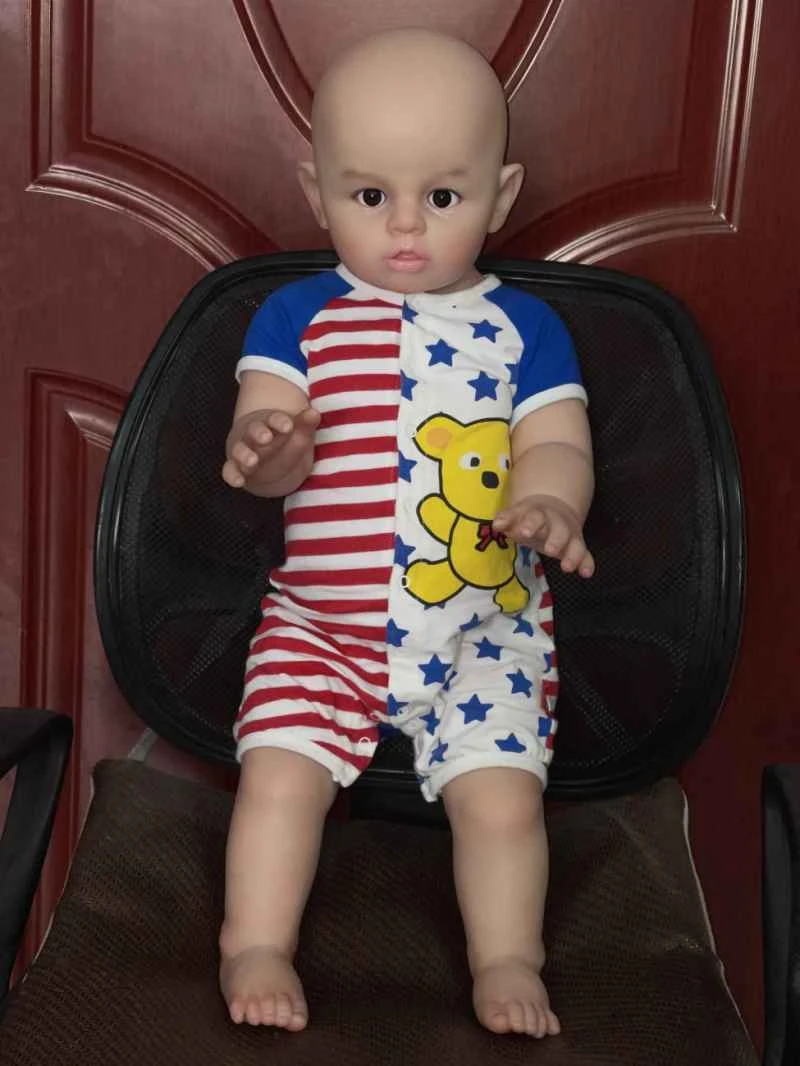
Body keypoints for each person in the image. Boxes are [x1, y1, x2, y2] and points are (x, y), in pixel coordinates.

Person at [218, 27, 594, 1040]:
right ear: (316, 194)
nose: (405, 227)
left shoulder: (525, 330)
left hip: (484, 628)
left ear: (500, 197)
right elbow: (267, 439)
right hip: (320, 629)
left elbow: (558, 442)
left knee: (501, 800)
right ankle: (254, 942)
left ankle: (507, 957)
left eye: (443, 195)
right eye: (370, 194)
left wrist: (552, 504)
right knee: (277, 778)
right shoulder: (293, 317)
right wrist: (270, 450)